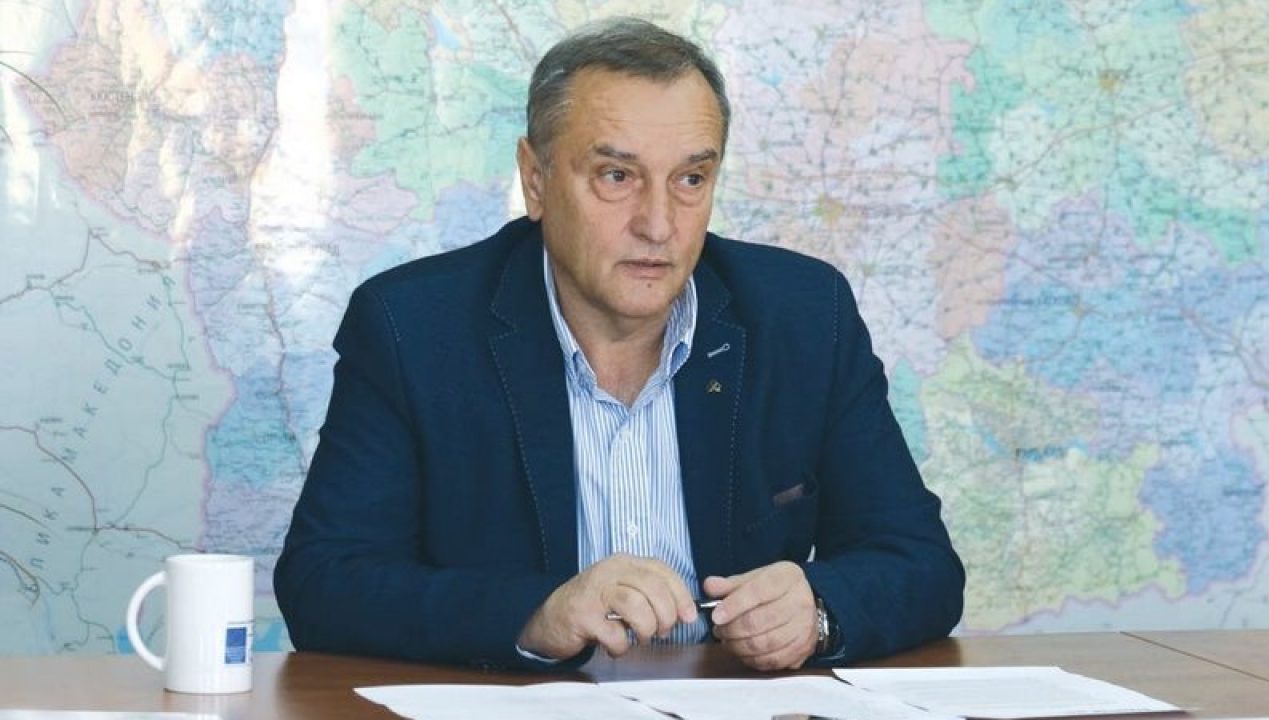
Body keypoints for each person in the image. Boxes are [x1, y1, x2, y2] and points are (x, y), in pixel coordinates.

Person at [274, 16, 964, 672]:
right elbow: (323, 583)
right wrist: (537, 614)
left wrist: (818, 609)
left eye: (690, 179)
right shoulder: (415, 329)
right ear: (536, 179)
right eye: (616, 176)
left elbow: (922, 563)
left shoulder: (805, 316)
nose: (658, 225)